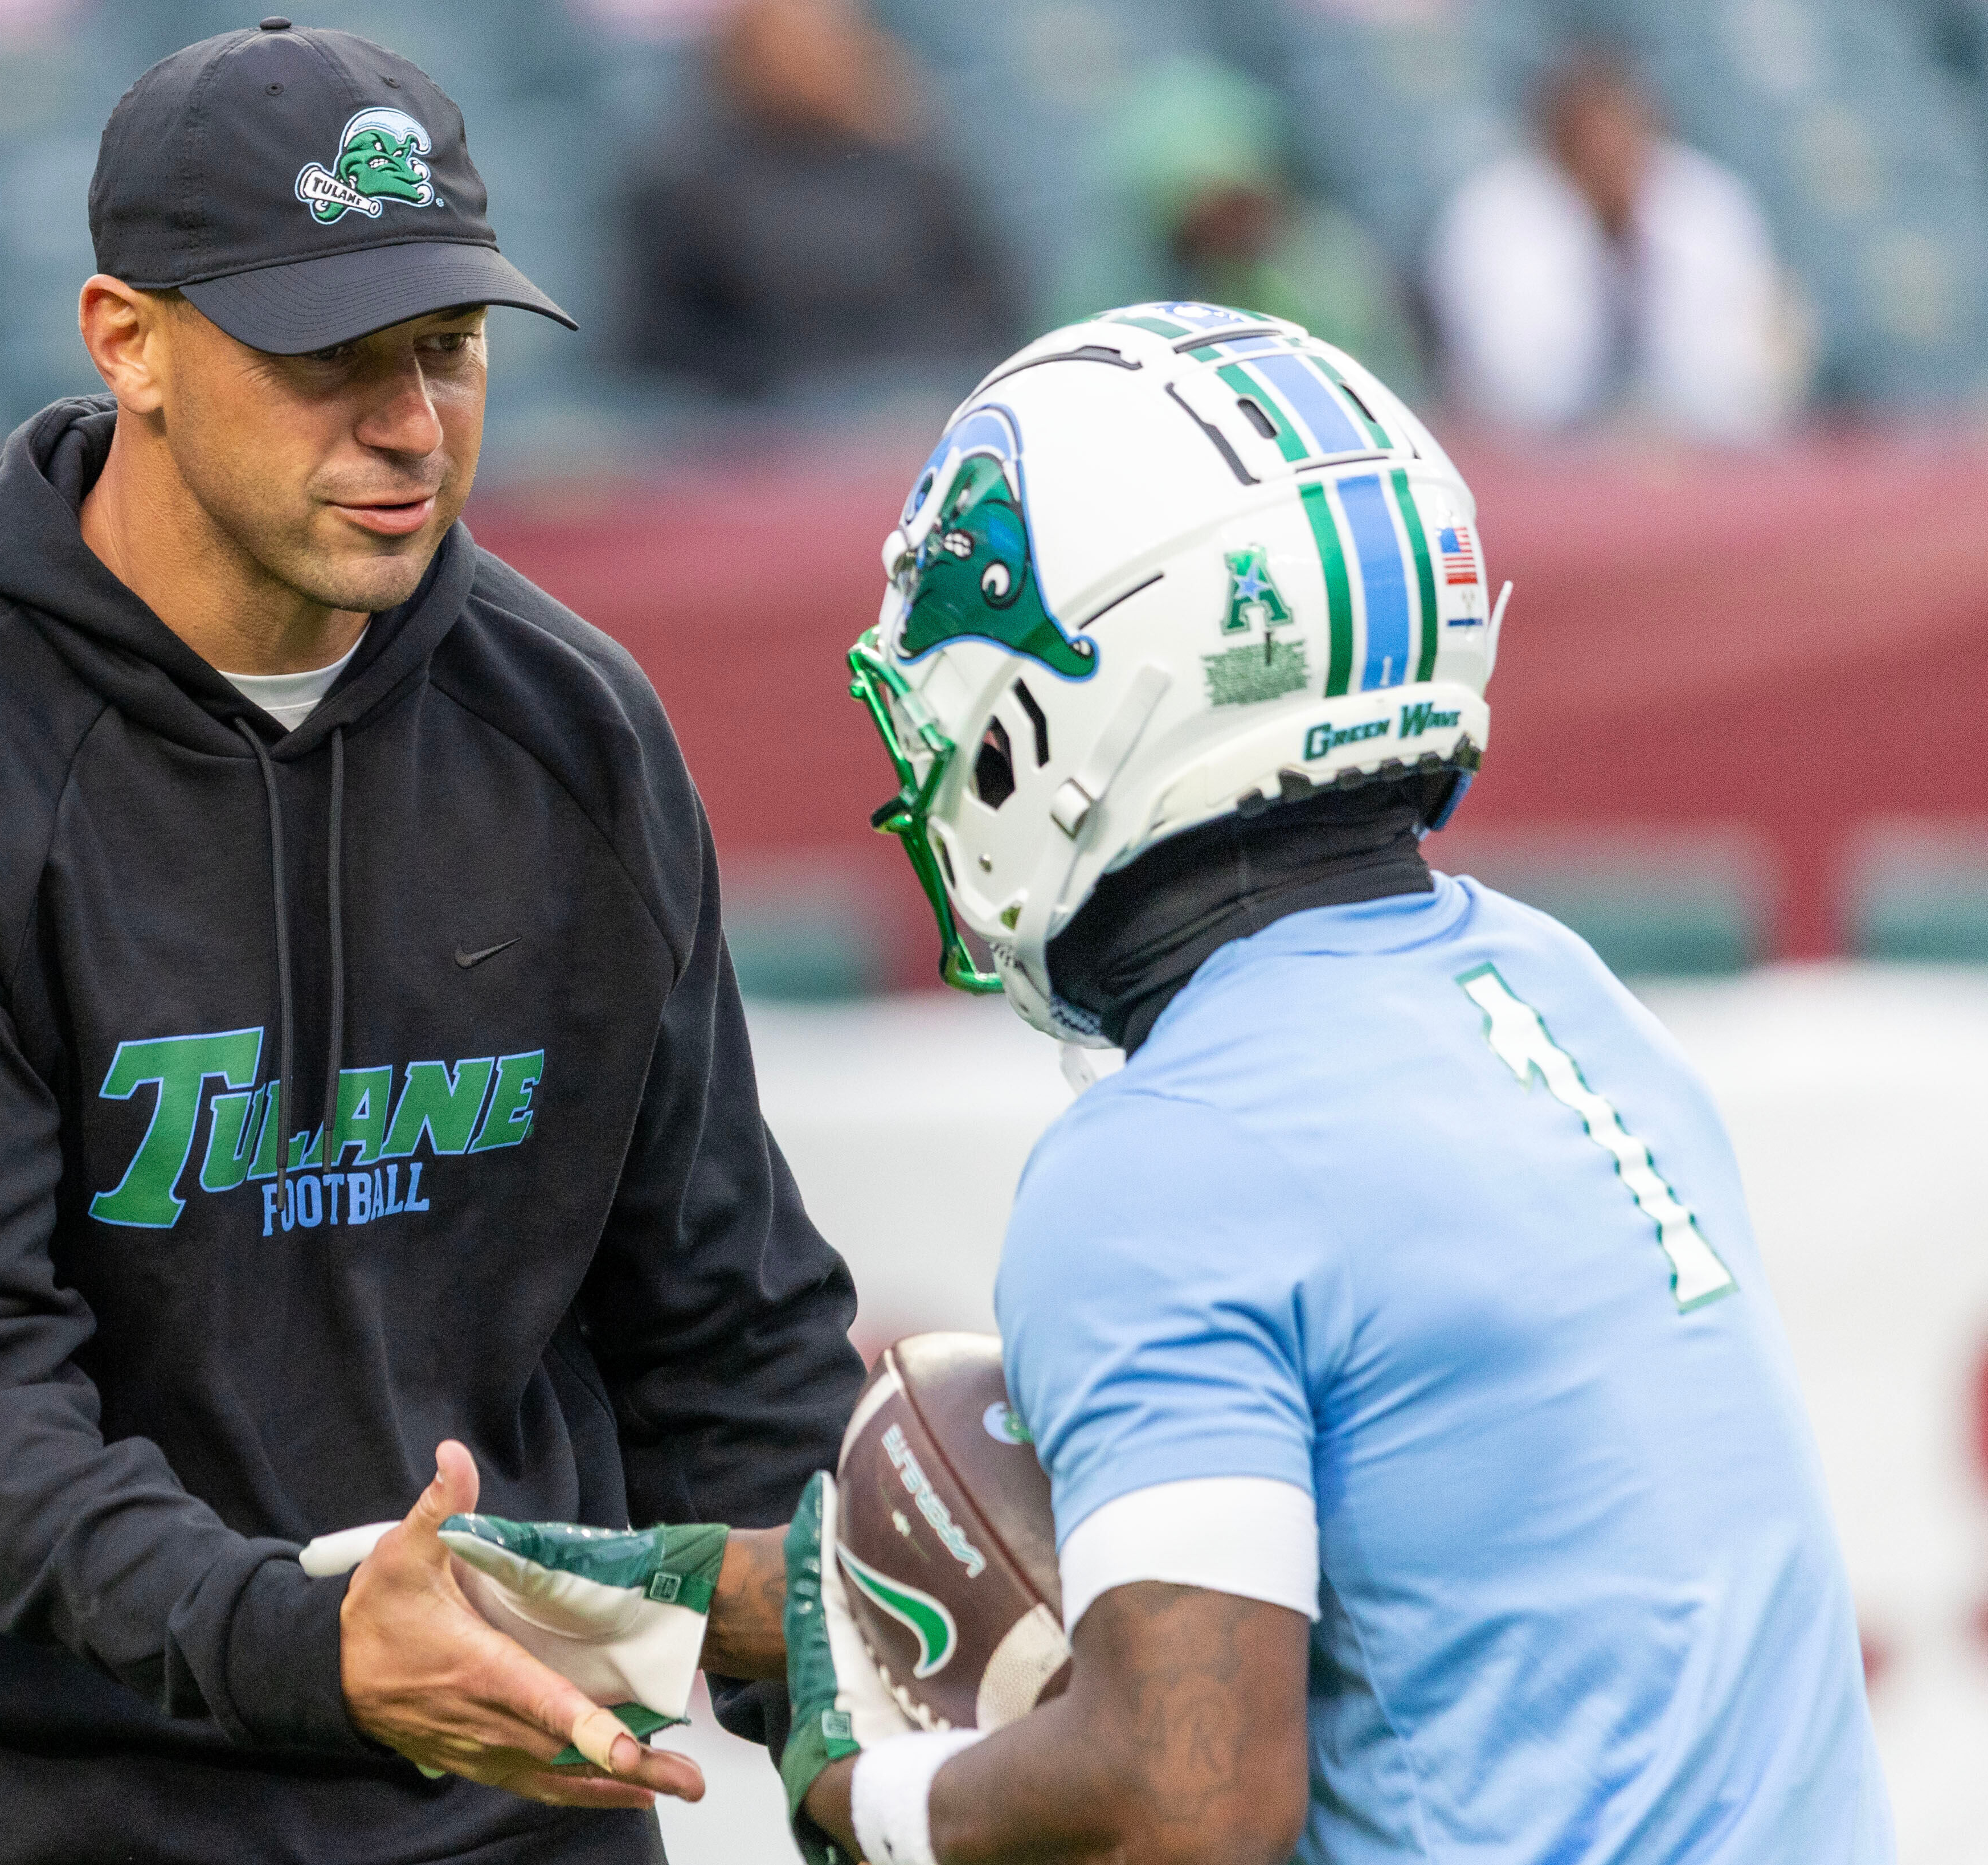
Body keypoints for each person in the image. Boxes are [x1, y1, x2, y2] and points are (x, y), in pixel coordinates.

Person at [508, 301, 1891, 1863]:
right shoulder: (1548, 983)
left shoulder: (1166, 1161)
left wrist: (856, 1794)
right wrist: (662, 1600)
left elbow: (1187, 1800)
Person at [0, 21, 863, 1865]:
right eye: (326, 359)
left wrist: (852, 1744)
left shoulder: (572, 725)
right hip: (22, 1818)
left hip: (509, 1810)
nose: (408, 423)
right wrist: (313, 1649)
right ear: (126, 339)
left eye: (446, 351)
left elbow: (723, 1315)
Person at [614, 0, 1023, 401]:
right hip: (767, 428)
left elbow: (983, 306)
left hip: (912, 410)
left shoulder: (915, 168)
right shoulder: (687, 182)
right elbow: (664, 343)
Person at [1429, 48, 1803, 442]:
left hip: (1696, 454)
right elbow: (1505, 380)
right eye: (1589, 132)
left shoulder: (1707, 202)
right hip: (1535, 461)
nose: (1607, 149)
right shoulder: (1492, 213)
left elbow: (1748, 369)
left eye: (1620, 128)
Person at [1101, 56, 1424, 398]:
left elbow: (1384, 389)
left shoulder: (1327, 269)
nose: (1227, 225)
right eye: (1209, 211)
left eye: (1238, 203)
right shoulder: (1120, 287)